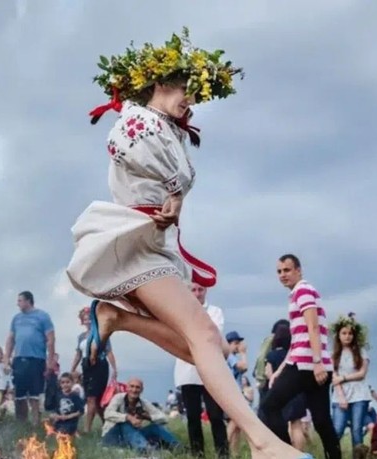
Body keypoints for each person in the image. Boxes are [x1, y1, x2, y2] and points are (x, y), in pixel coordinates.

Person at [65, 28, 312, 459]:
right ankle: (262, 443)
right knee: (204, 335)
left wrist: (176, 195)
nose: (190, 102)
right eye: (186, 91)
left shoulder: (170, 130)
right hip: (133, 242)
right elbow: (123, 146)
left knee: (205, 346)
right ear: (161, 83)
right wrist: (175, 192)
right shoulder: (137, 118)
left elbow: (173, 179)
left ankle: (115, 319)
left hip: (156, 245)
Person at [260, 254, 342, 459]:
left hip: (307, 365)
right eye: (279, 271)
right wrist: (280, 370)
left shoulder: (303, 290)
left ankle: (289, 455)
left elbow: (312, 326)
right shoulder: (300, 292)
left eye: (287, 270)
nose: (282, 275)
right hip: (308, 362)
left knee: (269, 407)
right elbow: (299, 337)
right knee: (322, 421)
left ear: (299, 270)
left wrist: (317, 363)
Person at [173, 282, 228, 458]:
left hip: (210, 371)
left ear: (206, 291)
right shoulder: (180, 311)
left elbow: (213, 334)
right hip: (188, 370)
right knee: (193, 417)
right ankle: (198, 454)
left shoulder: (215, 312)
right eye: (194, 290)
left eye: (200, 290)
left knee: (215, 415)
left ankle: (223, 453)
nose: (197, 294)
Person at [3, 291, 56, 425]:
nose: (18, 303)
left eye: (20, 300)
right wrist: (6, 359)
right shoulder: (16, 318)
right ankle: (21, 422)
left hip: (36, 359)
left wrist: (50, 361)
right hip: (19, 359)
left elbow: (50, 339)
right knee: (19, 393)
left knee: (35, 393)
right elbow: (10, 339)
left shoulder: (42, 316)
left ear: (28, 301)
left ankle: (35, 423)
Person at [70, 305, 118, 433]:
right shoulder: (81, 337)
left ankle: (87, 429)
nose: (88, 321)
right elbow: (78, 354)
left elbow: (109, 352)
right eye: (85, 319)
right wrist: (72, 368)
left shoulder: (102, 333)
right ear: (82, 321)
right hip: (86, 366)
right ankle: (107, 425)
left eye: (90, 318)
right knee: (95, 400)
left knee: (92, 397)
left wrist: (114, 369)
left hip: (99, 364)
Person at [101, 377, 179, 453]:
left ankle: (178, 447)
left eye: (137, 387)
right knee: (125, 424)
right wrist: (128, 417)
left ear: (141, 390)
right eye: (132, 386)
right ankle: (145, 450)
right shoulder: (118, 398)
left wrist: (147, 417)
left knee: (155, 427)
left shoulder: (143, 403)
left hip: (133, 436)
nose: (134, 390)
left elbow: (164, 418)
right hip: (113, 435)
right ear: (127, 388)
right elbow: (107, 413)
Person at [330, 313, 372, 451]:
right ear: (339, 335)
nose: (347, 336)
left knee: (356, 430)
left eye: (350, 333)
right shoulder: (334, 354)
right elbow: (334, 377)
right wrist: (341, 396)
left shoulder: (361, 351)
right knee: (337, 430)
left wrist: (344, 378)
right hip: (341, 395)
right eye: (344, 333)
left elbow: (361, 373)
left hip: (359, 394)